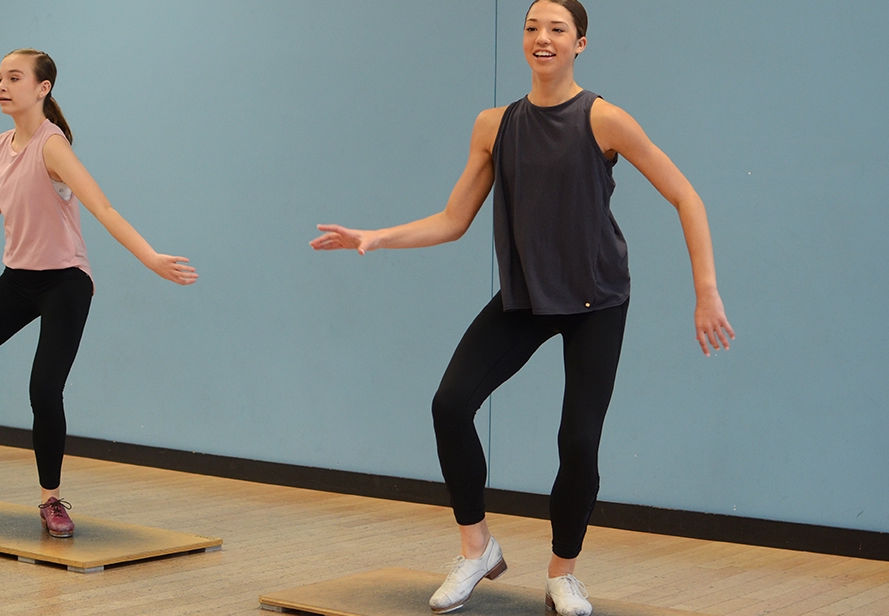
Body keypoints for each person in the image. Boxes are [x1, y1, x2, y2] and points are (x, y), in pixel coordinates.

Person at [310, 1, 734, 613]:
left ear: (580, 44)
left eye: (558, 29)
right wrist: (377, 237)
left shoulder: (604, 119)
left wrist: (706, 291)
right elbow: (453, 220)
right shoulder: (494, 125)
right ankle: (476, 548)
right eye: (533, 27)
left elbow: (686, 196)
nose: (543, 37)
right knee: (450, 405)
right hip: (527, 295)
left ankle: (563, 573)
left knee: (578, 441)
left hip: (596, 299)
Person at [0, 48, 197, 538]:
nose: (2, 86)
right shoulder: (1, 144)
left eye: (14, 78)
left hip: (65, 281)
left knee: (43, 390)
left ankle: (51, 499)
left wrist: (150, 258)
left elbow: (104, 209)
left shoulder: (52, 146)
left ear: (43, 88)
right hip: (18, 279)